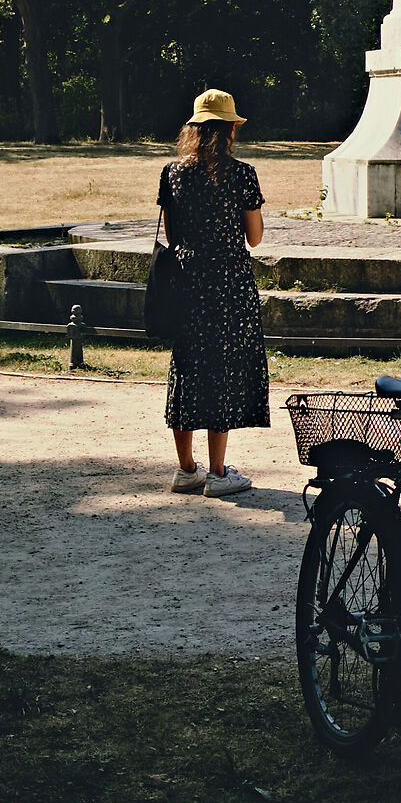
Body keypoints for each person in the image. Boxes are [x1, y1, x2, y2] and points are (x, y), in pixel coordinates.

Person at [158, 88, 269, 498]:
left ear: (194, 129)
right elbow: (254, 237)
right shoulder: (242, 174)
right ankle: (219, 473)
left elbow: (172, 234)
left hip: (188, 280)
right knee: (223, 370)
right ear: (230, 130)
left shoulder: (173, 173)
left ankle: (186, 469)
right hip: (229, 281)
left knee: (187, 368)